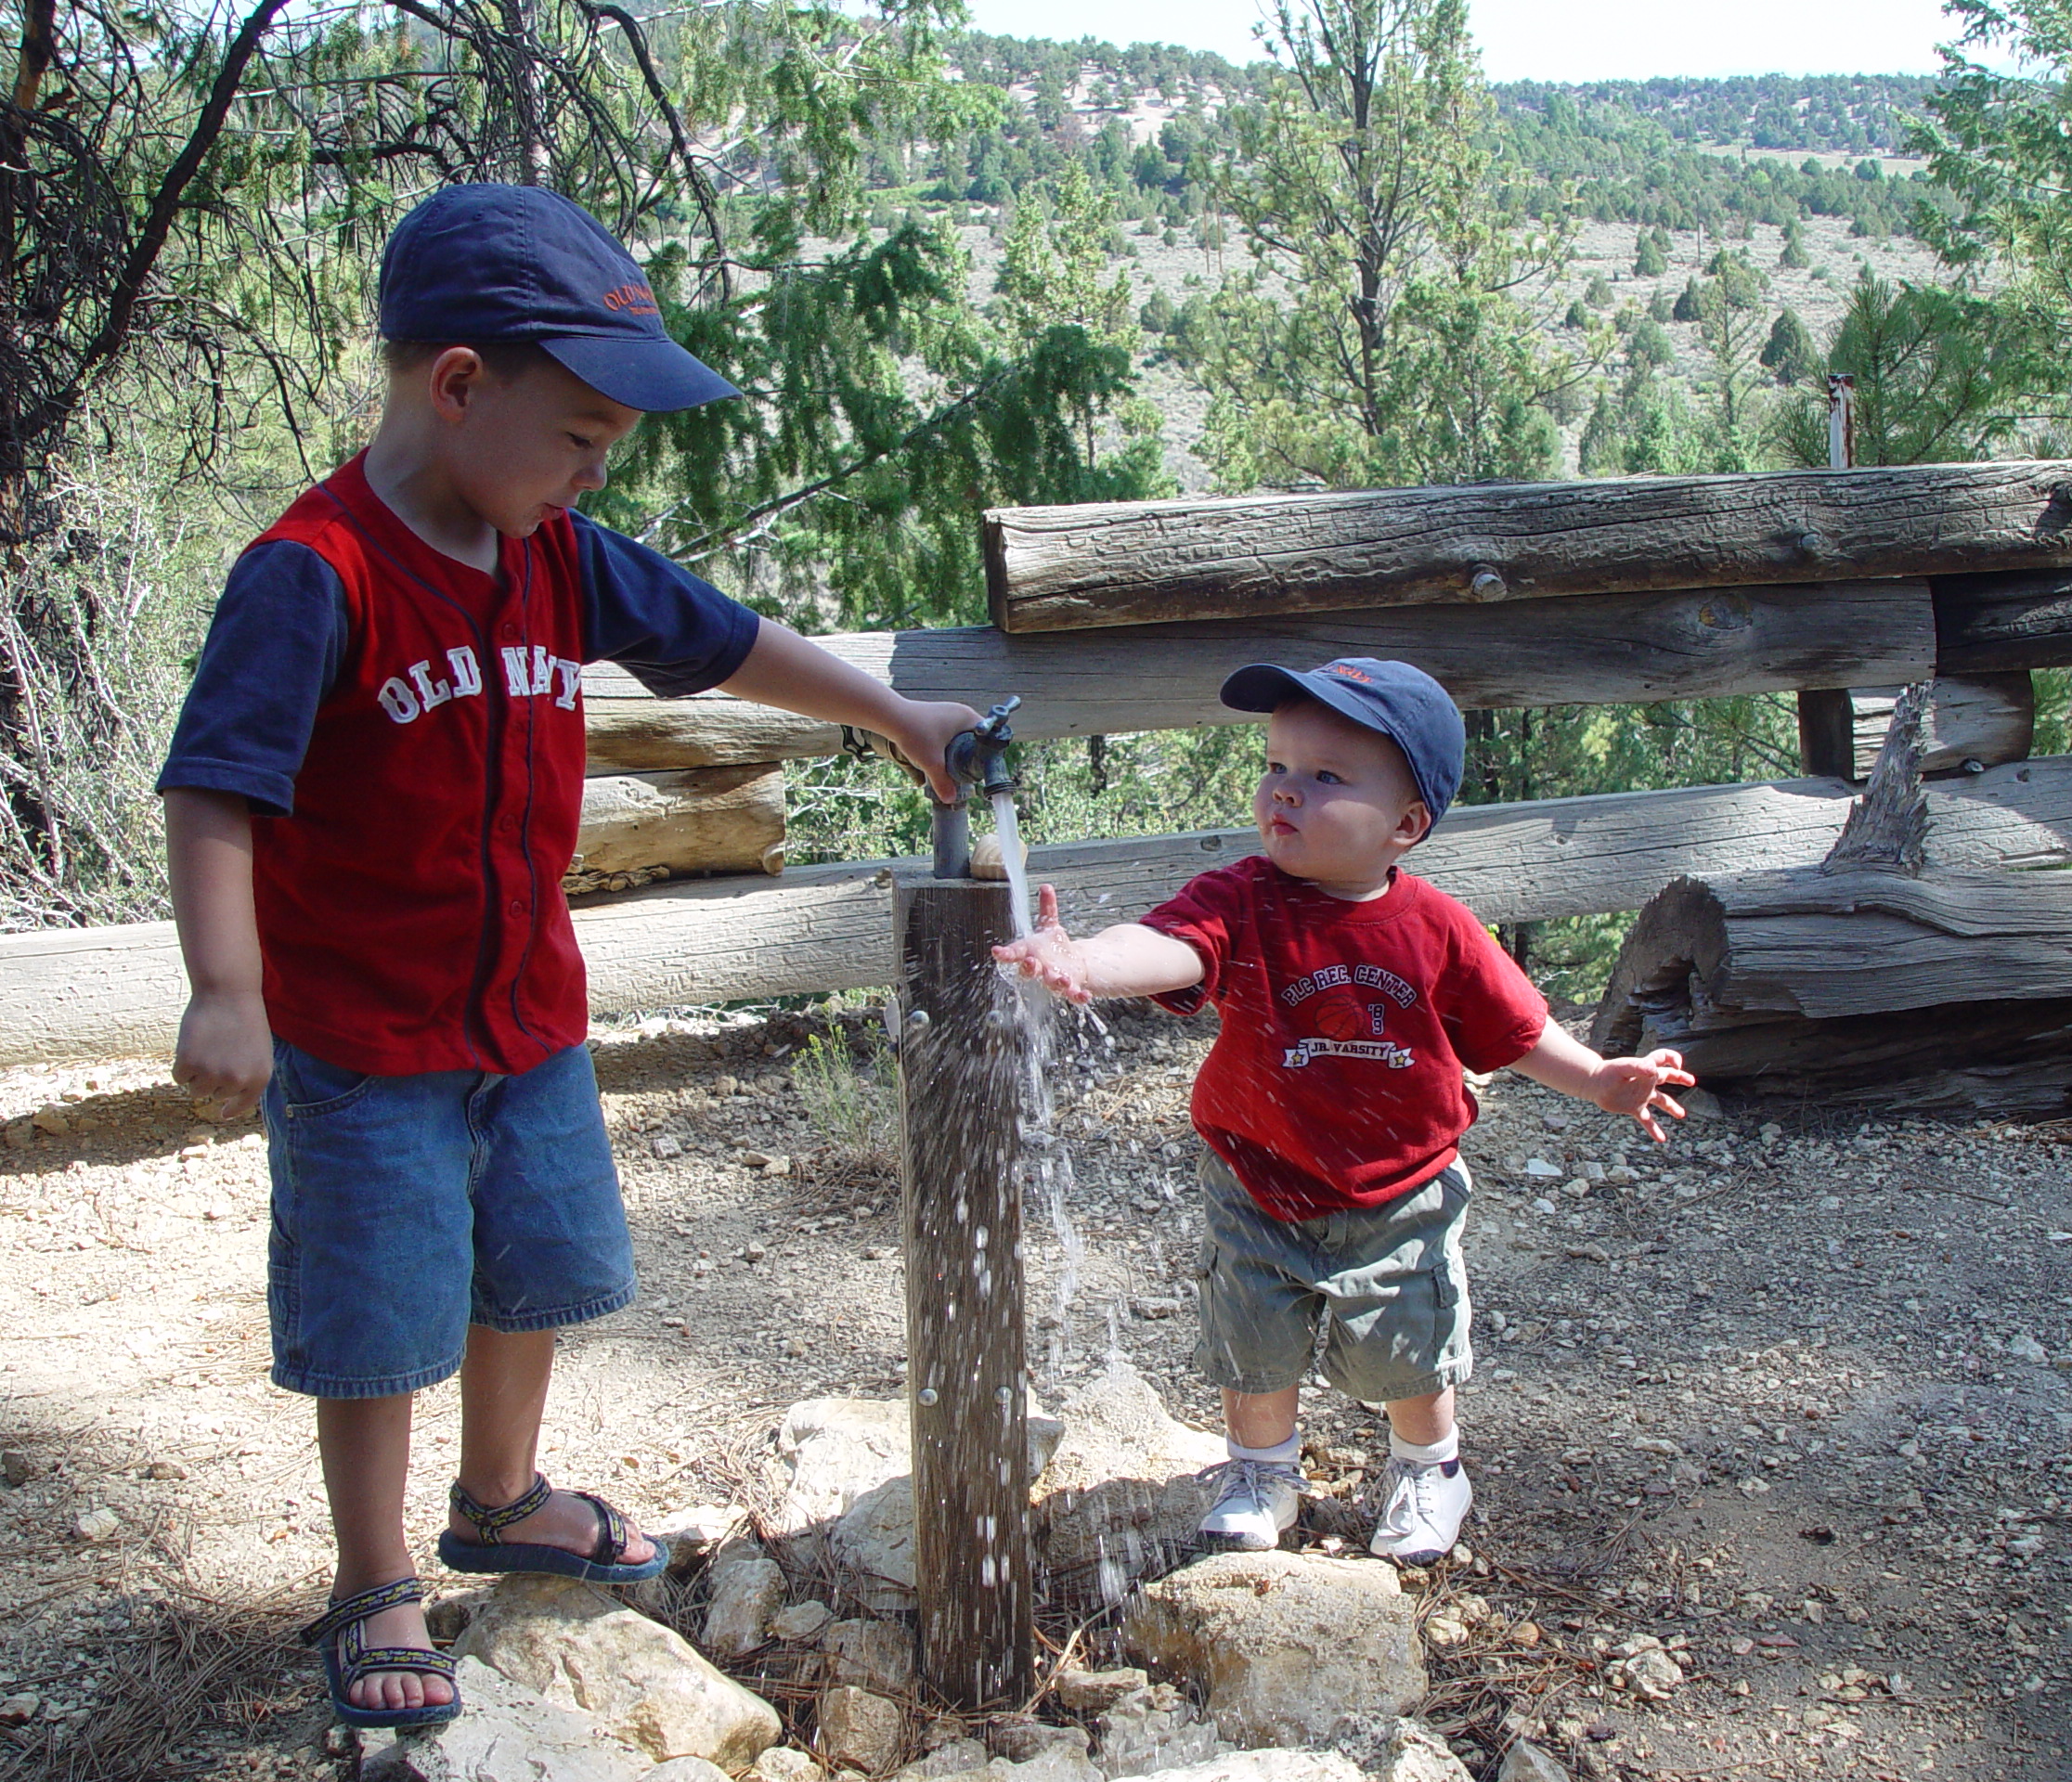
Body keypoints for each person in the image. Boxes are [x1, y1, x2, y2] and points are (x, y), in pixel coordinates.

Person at [157, 184, 981, 1730]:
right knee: (380, 1305)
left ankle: (502, 1494)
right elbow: (218, 782)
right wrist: (228, 986)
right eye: (582, 434)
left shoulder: (559, 555)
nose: (596, 471)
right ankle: (375, 1581)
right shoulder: (314, 572)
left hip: (526, 1022)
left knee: (529, 1258)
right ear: (459, 384)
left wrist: (891, 712)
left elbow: (721, 638)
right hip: (362, 1038)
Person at [997, 658, 1692, 1565]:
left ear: (1404, 825)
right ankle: (1260, 1472)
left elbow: (1514, 1028)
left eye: (1325, 776)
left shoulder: (1436, 927)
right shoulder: (1238, 898)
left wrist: (1600, 1078)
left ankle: (1428, 1469)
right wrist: (1085, 961)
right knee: (1255, 1339)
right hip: (1256, 1176)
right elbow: (1168, 947)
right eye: (1276, 764)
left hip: (1400, 1190)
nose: (1285, 789)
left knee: (1403, 1346)